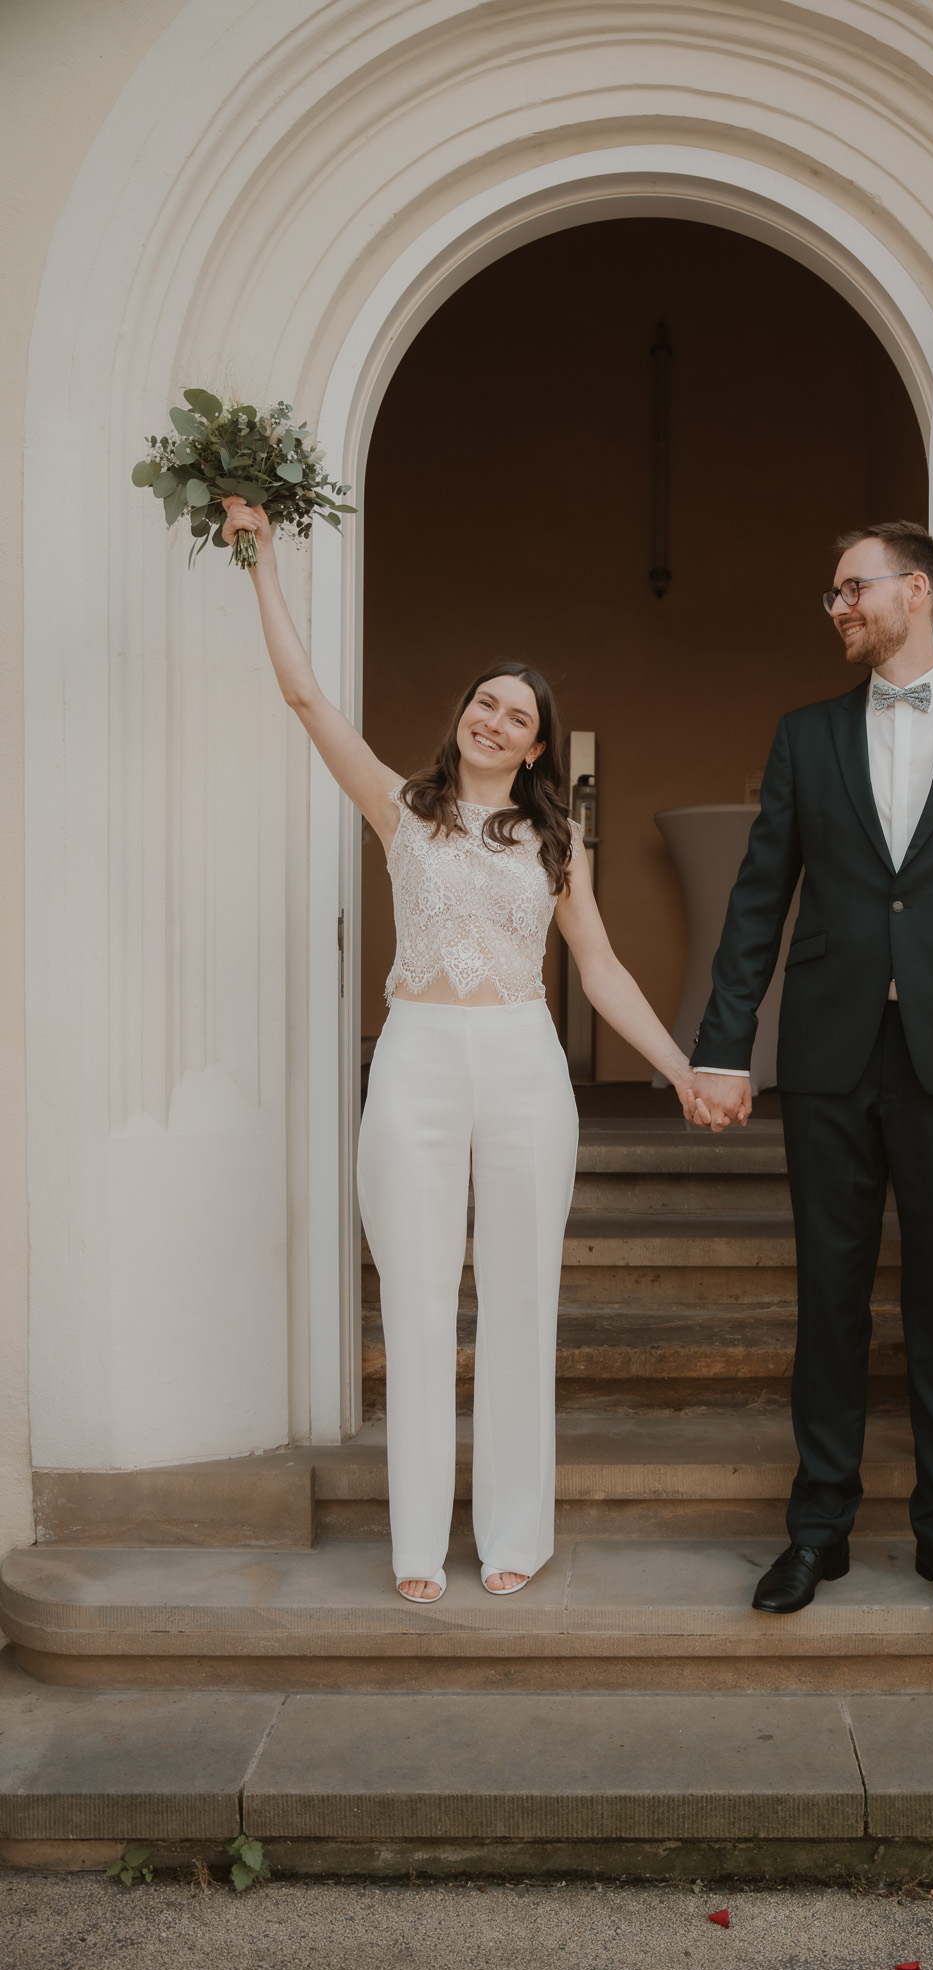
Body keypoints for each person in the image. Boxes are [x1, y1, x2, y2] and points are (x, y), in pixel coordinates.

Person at [223, 498, 701, 1604]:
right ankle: (415, 1545)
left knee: (524, 1294)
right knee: (421, 1296)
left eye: (516, 713)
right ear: (463, 715)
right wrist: (263, 565)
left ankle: (513, 1533)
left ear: (539, 744)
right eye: (484, 700)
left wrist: (677, 1068)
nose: (493, 718)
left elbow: (604, 970)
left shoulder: (555, 838)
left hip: (526, 1063)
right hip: (419, 1059)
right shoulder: (403, 809)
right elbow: (305, 695)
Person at [688, 521, 933, 1620]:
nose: (839, 605)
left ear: (918, 590)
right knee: (829, 1302)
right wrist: (722, 1043)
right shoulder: (806, 738)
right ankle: (819, 1530)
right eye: (834, 593)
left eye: (853, 588)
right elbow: (759, 901)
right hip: (831, 1059)